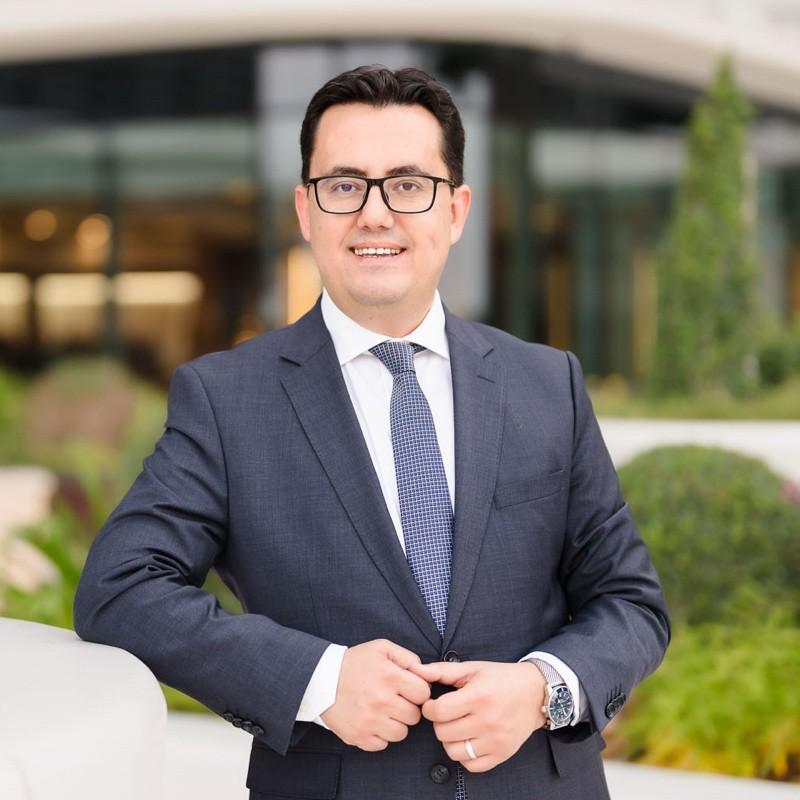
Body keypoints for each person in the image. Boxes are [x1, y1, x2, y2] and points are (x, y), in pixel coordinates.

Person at [74, 65, 669, 800]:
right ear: (306, 210)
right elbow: (121, 590)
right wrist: (319, 680)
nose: (375, 214)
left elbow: (631, 602)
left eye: (408, 185)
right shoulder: (225, 400)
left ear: (456, 210)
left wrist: (543, 688)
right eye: (345, 185)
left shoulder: (548, 385)